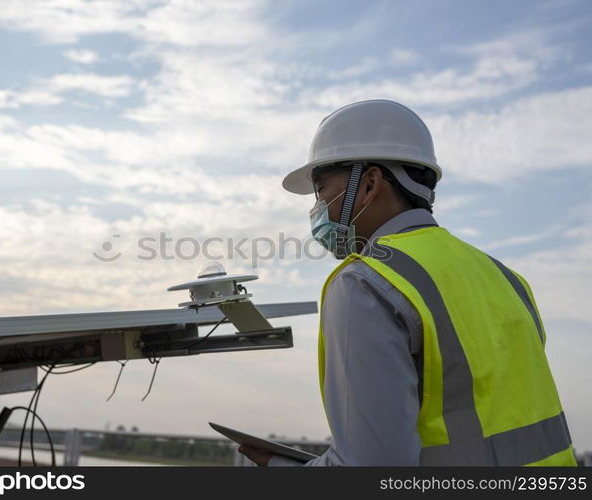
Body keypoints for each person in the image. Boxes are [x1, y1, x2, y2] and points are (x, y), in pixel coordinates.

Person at [238, 99, 576, 466]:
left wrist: (280, 467)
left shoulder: (365, 284)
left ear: (368, 184)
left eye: (321, 191)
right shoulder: (506, 278)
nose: (317, 208)